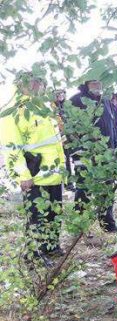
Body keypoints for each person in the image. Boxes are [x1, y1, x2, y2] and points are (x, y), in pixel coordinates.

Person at [0, 74, 66, 265]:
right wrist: (22, 175)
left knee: (54, 212)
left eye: (40, 81)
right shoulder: (14, 110)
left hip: (53, 172)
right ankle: (34, 255)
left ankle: (51, 247)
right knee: (37, 217)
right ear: (21, 84)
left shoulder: (44, 106)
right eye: (34, 82)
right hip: (34, 174)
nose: (39, 85)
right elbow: (11, 147)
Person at [68, 79, 117, 233]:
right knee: (83, 190)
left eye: (100, 81)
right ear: (86, 83)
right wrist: (79, 153)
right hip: (85, 156)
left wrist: (116, 151)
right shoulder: (75, 101)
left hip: (107, 156)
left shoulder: (105, 100)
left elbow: (112, 127)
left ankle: (108, 224)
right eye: (93, 82)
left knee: (107, 190)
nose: (97, 85)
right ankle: (80, 227)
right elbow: (70, 131)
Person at [53, 88, 75, 191]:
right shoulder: (52, 107)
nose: (60, 96)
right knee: (60, 161)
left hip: (67, 137)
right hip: (57, 138)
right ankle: (61, 182)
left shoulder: (67, 106)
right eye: (58, 94)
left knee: (67, 161)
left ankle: (69, 183)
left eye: (62, 94)